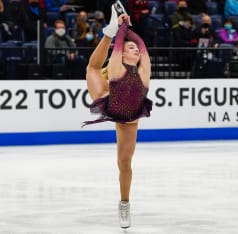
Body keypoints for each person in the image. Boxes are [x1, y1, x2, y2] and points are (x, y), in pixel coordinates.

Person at [83, 1, 152, 229]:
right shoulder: (116, 67)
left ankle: (124, 203)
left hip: (129, 116)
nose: (134, 50)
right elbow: (116, 51)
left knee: (124, 162)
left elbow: (141, 45)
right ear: (122, 55)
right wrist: (119, 31)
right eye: (128, 48)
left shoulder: (143, 72)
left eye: (135, 50)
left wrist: (128, 29)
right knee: (92, 69)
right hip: (109, 101)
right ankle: (107, 32)